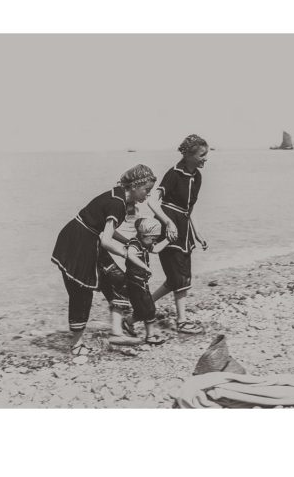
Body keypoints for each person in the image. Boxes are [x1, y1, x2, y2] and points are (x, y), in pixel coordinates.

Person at [51, 164, 157, 356]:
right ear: (134, 186)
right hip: (78, 243)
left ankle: (117, 332)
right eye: (146, 190)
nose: (147, 195)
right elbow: (106, 240)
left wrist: (126, 241)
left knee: (117, 279)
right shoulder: (118, 204)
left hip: (86, 238)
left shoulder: (117, 195)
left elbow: (105, 229)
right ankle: (76, 345)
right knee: (81, 292)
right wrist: (128, 253)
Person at [151, 134, 210, 335]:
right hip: (169, 227)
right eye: (202, 155)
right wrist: (167, 222)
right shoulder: (174, 174)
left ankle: (139, 311)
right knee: (178, 276)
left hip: (183, 228)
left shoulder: (198, 177)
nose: (205, 159)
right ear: (188, 155)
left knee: (177, 278)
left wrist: (197, 233)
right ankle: (182, 321)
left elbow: (188, 210)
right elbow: (152, 202)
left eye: (206, 154)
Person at [123, 217, 167, 345]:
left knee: (142, 309)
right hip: (134, 282)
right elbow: (130, 255)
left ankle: (127, 322)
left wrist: (169, 239)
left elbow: (156, 249)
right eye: (153, 239)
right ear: (143, 235)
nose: (154, 242)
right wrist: (145, 267)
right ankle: (150, 336)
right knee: (149, 307)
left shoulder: (144, 243)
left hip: (141, 282)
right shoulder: (135, 243)